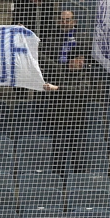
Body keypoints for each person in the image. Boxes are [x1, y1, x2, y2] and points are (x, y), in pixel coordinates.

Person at [39, 10, 93, 174]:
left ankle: (78, 180)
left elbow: (82, 90)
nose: (82, 62)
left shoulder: (84, 76)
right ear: (72, 60)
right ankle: (58, 179)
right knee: (59, 155)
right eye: (79, 59)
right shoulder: (59, 72)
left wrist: (58, 88)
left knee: (78, 156)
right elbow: (43, 58)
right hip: (59, 122)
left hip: (77, 122)